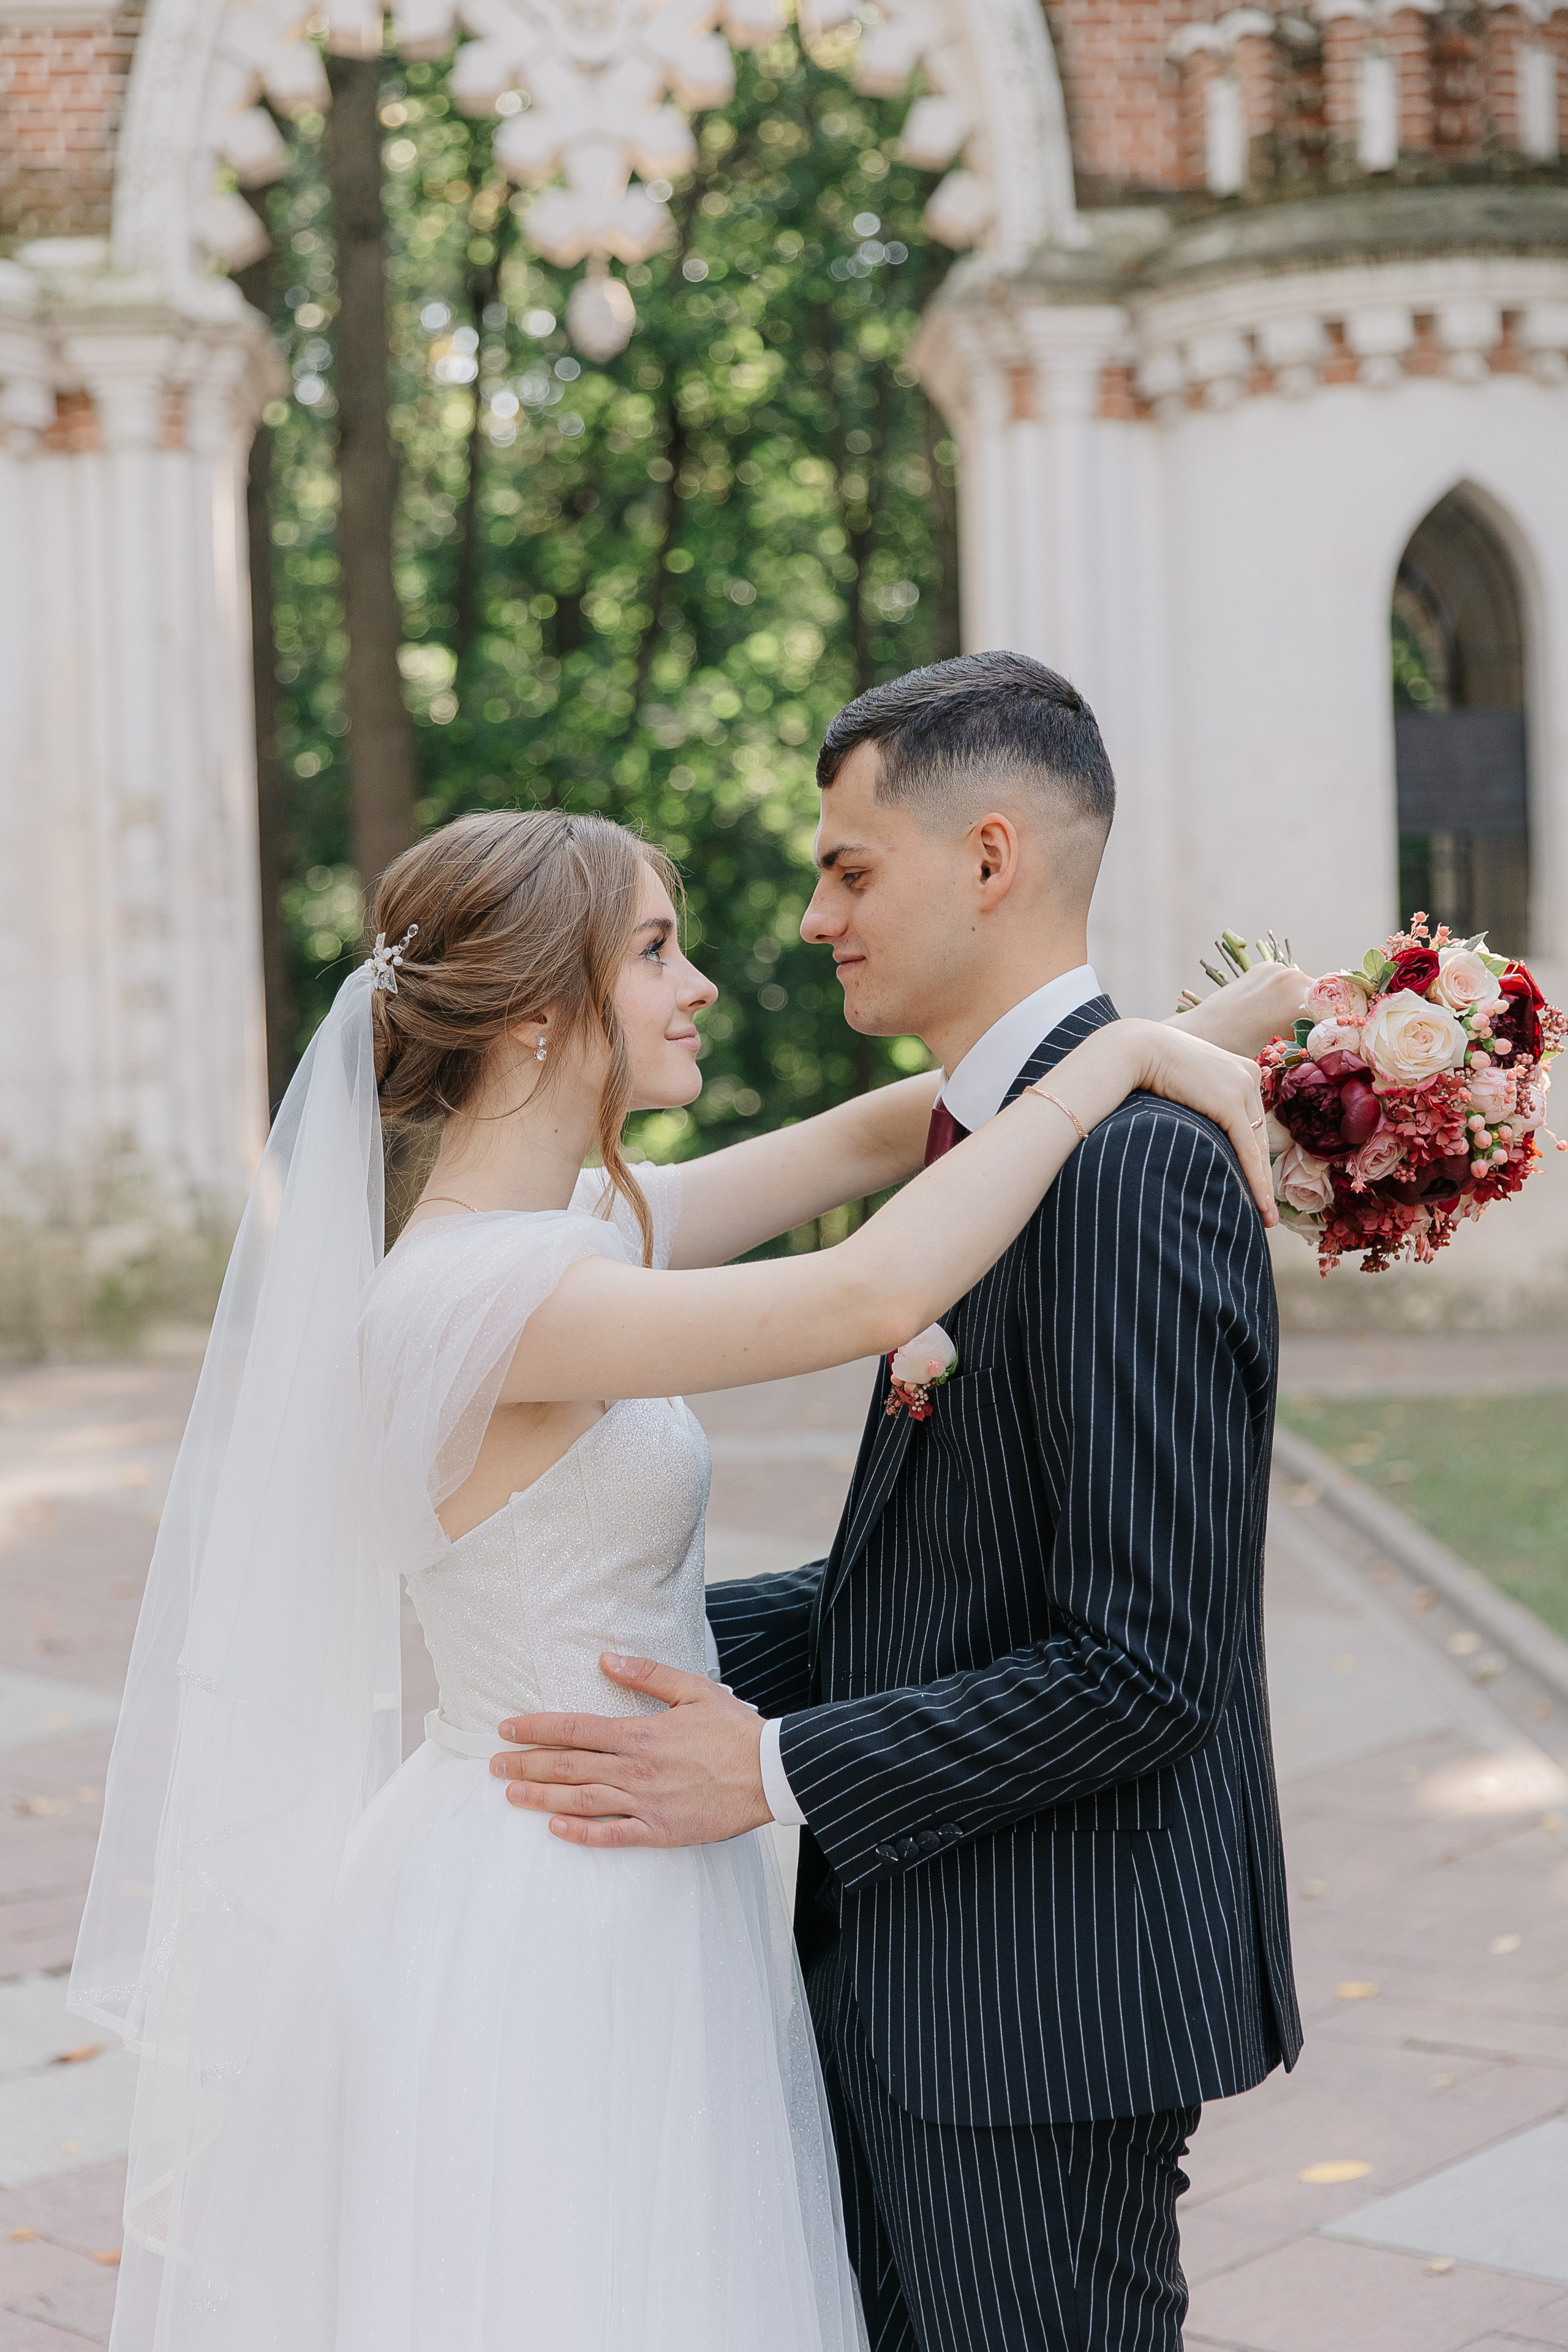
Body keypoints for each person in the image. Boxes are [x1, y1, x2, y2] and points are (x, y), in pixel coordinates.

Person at [70, 759, 1286, 2350]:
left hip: (636, 1854)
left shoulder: (562, 1233)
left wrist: (1227, 1034)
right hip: (560, 1896)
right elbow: (866, 1292)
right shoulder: (486, 1307)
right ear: (531, 1016)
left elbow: (880, 1136)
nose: (702, 979)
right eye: (654, 950)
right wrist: (1123, 1056)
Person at [491, 655, 1308, 2352]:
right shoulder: (999, 1140)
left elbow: (1145, 1662)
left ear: (991, 859)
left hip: (1040, 2000)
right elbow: (949, 1569)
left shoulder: (1133, 1169)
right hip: (914, 1955)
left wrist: (771, 1762)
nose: (809, 920)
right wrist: (598, 1644)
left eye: (849, 868)